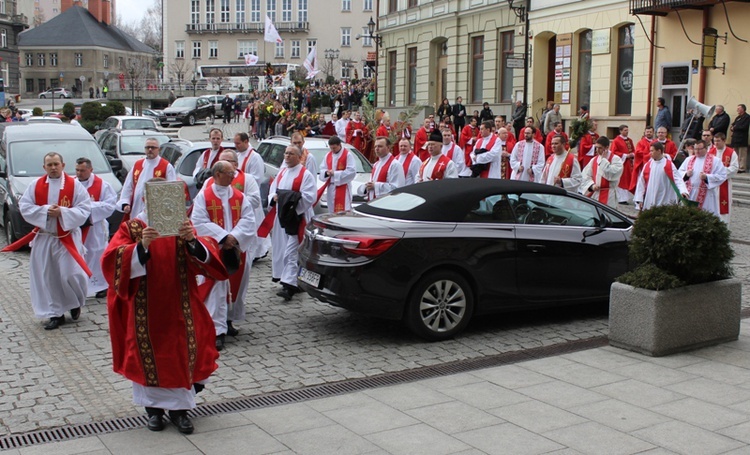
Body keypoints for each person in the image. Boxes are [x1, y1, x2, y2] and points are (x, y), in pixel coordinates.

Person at [103, 198, 227, 435]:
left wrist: (192, 241)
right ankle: (154, 411)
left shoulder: (181, 226)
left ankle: (180, 411)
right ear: (146, 200)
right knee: (145, 355)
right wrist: (142, 246)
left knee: (181, 355)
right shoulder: (133, 228)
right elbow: (111, 260)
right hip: (144, 307)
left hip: (180, 303)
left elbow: (207, 259)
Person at [7, 152, 92, 330]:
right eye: (49, 165)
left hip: (67, 237)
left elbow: (84, 208)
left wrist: (63, 212)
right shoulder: (35, 185)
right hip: (45, 237)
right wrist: (45, 211)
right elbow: (25, 207)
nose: (53, 168)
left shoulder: (74, 186)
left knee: (71, 274)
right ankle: (56, 313)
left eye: (56, 164)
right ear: (44, 167)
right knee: (49, 276)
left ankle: (75, 301)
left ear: (63, 165)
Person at [191, 160, 256, 351]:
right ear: (218, 174)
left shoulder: (239, 196)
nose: (233, 176)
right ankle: (216, 331)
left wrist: (234, 237)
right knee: (216, 291)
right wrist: (222, 237)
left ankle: (228, 322)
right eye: (229, 173)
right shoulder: (204, 196)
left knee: (236, 286)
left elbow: (248, 218)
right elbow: (198, 221)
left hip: (234, 248)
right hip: (213, 250)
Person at [263, 145, 316, 300]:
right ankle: (290, 280)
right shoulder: (283, 172)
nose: (286, 156)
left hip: (297, 218)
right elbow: (273, 190)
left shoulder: (305, 175)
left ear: (299, 156)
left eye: (291, 153)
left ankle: (289, 285)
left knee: (292, 251)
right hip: (282, 218)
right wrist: (274, 197)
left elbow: (308, 197)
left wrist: (289, 203)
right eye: (285, 153)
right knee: (283, 249)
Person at [75, 157, 117, 299]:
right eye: (77, 170)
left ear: (91, 170)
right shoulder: (72, 184)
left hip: (95, 227)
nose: (79, 173)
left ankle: (101, 286)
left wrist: (87, 209)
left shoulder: (103, 185)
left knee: (97, 253)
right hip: (76, 227)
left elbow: (110, 205)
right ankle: (80, 285)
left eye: (82, 170)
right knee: (79, 255)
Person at [117, 138, 177, 220]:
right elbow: (128, 186)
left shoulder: (166, 166)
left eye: (153, 147)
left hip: (155, 208)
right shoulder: (138, 165)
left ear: (158, 149)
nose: (150, 150)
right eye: (147, 147)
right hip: (136, 206)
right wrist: (125, 203)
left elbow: (171, 189)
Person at [678, 140, 727, 217]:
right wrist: (686, 174)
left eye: (699, 149)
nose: (697, 151)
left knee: (705, 215)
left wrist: (707, 177)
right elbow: (679, 173)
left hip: (706, 194)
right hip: (690, 193)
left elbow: (722, 175)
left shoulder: (715, 161)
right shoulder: (689, 159)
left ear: (706, 148)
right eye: (695, 149)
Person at [634, 142, 689, 211]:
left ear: (659, 151)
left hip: (665, 197)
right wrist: (639, 199)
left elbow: (678, 179)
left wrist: (683, 191)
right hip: (650, 197)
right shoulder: (648, 165)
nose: (650, 153)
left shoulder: (668, 164)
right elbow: (641, 182)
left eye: (652, 151)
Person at [579, 137, 624, 208]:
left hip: (609, 195)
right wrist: (591, 186)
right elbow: (585, 175)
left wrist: (604, 160)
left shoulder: (616, 159)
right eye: (596, 147)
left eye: (599, 148)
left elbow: (612, 175)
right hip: (595, 194)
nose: (597, 150)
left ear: (606, 147)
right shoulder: (594, 160)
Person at [319, 136, 356, 213]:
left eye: (334, 148)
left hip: (343, 187)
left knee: (343, 211)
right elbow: (322, 169)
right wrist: (326, 173)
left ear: (340, 145)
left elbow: (351, 172)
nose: (332, 150)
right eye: (331, 148)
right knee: (331, 210)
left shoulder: (347, 155)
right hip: (331, 188)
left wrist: (335, 174)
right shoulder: (328, 155)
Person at [708, 133, 739, 223]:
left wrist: (720, 173)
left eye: (718, 141)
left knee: (723, 207)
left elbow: (734, 168)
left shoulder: (731, 152)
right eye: (714, 141)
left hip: (724, 183)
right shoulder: (710, 152)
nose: (716, 143)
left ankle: (724, 227)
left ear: (724, 141)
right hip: (712, 184)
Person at [610, 125, 636, 205]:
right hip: (622, 163)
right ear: (620, 131)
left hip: (629, 163)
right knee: (622, 180)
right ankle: (621, 199)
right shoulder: (616, 141)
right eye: (625, 130)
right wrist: (625, 155)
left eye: (627, 130)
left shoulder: (630, 140)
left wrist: (632, 154)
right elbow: (614, 152)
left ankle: (626, 198)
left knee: (627, 179)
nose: (627, 132)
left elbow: (633, 150)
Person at [629, 125, 655, 194]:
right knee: (641, 182)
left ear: (653, 133)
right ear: (645, 133)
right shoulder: (641, 142)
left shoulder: (655, 142)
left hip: (654, 165)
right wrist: (649, 154)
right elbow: (637, 152)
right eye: (647, 132)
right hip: (642, 165)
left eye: (650, 132)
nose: (649, 133)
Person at [730, 104, 749, 173]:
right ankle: (736, 166)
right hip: (735, 138)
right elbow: (733, 124)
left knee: (742, 154)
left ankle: (742, 168)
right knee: (736, 153)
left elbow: (744, 127)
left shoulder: (747, 117)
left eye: (739, 108)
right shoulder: (738, 117)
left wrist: (735, 127)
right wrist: (732, 127)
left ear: (743, 109)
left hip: (742, 138)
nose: (737, 110)